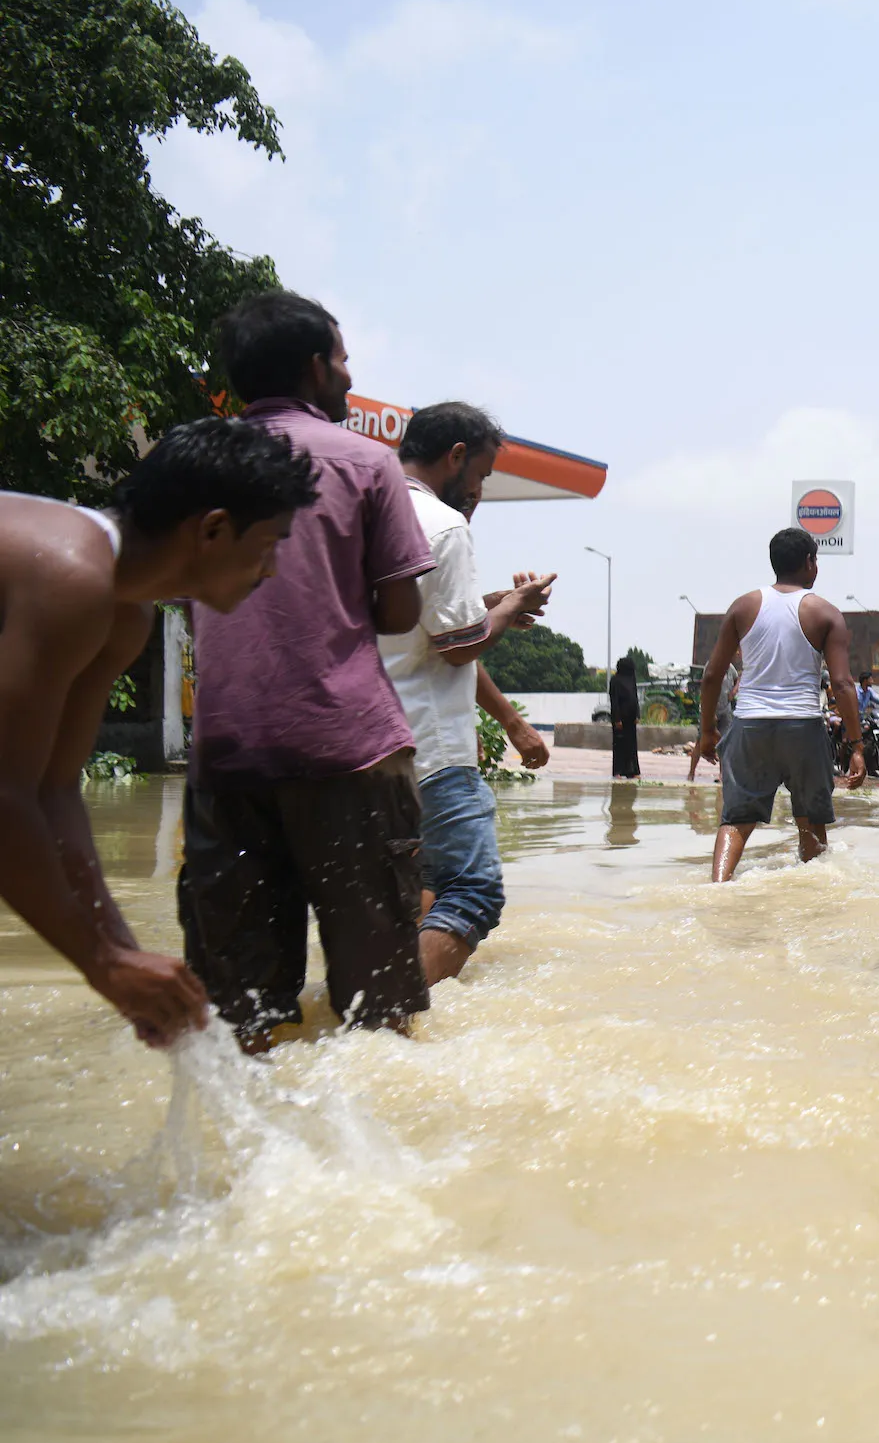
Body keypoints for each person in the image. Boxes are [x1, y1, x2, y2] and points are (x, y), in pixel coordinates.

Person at [0, 419, 317, 1048]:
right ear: (213, 529)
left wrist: (119, 954)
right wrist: (102, 964)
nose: (273, 569)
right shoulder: (73, 578)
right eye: (269, 544)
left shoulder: (124, 611)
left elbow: (54, 791)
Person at [183, 290, 440, 1048]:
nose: (351, 375)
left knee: (238, 1015)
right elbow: (399, 612)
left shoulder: (193, 463)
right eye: (343, 358)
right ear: (313, 366)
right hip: (348, 750)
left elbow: (171, 588)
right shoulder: (364, 462)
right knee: (380, 1004)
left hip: (227, 753)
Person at [377, 400, 555, 988]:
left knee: (401, 895)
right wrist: (510, 608)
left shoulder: (361, 512)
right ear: (455, 457)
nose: (477, 491)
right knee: (472, 889)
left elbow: (410, 631)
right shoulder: (442, 525)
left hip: (361, 745)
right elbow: (455, 648)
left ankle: (371, 1010)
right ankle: (387, 1022)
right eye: (479, 475)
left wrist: (491, 610)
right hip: (430, 750)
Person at [692, 528, 863, 882]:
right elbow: (844, 683)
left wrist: (707, 730)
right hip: (803, 725)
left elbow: (712, 675)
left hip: (750, 724)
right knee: (811, 826)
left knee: (736, 820)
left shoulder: (744, 606)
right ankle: (811, 899)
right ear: (809, 563)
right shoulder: (825, 613)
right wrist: (857, 745)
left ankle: (717, 890)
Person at [609, 654, 642, 779]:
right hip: (620, 719)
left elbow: (635, 698)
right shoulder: (615, 680)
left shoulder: (632, 679)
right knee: (619, 745)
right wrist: (617, 719)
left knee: (631, 746)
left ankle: (632, 771)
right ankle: (617, 771)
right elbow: (615, 701)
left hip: (631, 718)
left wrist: (637, 714)